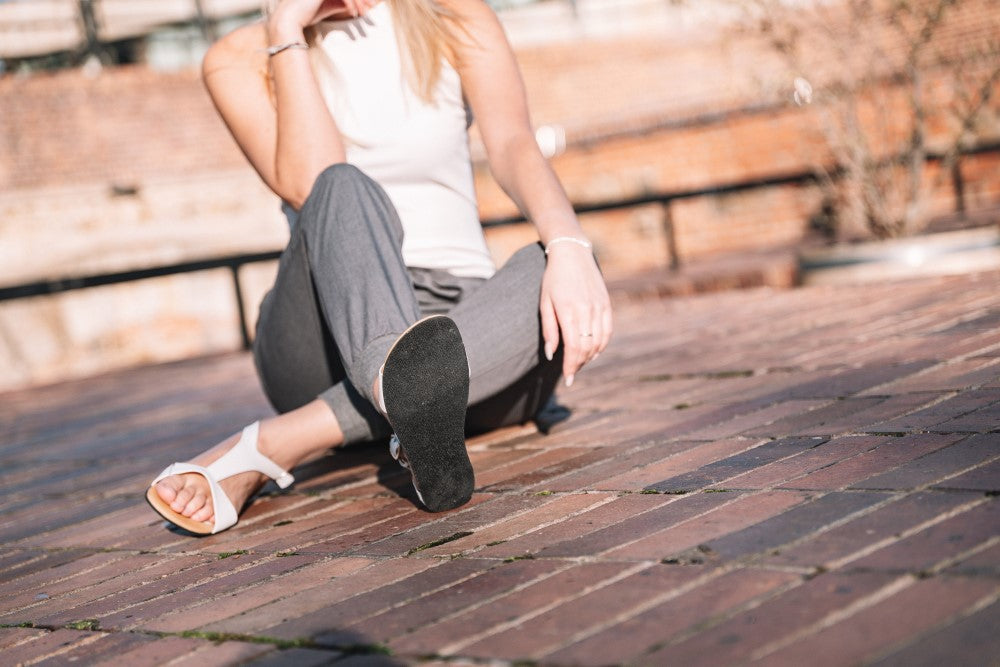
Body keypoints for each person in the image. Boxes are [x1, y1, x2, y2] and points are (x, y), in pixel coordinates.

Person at [145, 0, 612, 535]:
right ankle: (403, 392)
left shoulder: (452, 14)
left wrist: (570, 247)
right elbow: (309, 184)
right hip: (326, 334)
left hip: (467, 327)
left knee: (553, 263)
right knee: (341, 184)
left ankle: (281, 441)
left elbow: (512, 143)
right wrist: (286, 29)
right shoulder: (236, 59)